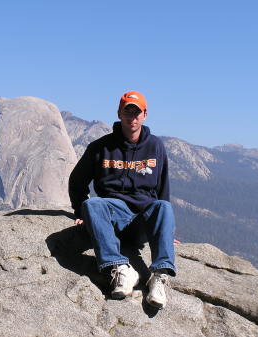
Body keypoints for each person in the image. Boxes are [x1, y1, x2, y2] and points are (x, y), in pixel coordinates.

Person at [68, 91, 176, 309]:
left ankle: (159, 276)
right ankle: (121, 268)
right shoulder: (100, 147)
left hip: (142, 219)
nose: (132, 117)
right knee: (92, 204)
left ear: (145, 114)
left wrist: (165, 228)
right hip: (114, 214)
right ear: (119, 113)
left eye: (137, 112)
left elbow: (163, 188)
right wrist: (81, 213)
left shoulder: (155, 147)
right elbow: (77, 180)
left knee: (163, 207)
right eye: (128, 112)